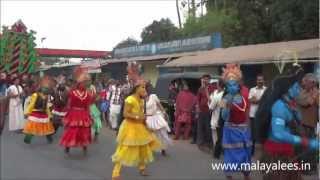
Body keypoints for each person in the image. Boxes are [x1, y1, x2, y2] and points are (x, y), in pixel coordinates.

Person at [256, 64, 319, 180]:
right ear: (288, 89)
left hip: (287, 151)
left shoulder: (290, 104)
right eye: (297, 86)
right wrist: (306, 142)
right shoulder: (279, 106)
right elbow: (278, 133)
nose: (299, 89)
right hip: (276, 153)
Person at [111, 62, 161, 180]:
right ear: (136, 88)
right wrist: (138, 117)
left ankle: (142, 168)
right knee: (124, 150)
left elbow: (142, 115)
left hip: (140, 128)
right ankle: (115, 173)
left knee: (143, 149)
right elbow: (125, 114)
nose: (144, 89)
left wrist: (147, 126)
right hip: (130, 128)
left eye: (145, 87)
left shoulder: (141, 101)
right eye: (142, 87)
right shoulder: (130, 99)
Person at [220, 64, 251, 180]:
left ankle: (246, 175)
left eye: (234, 84)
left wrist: (248, 126)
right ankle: (229, 176)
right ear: (226, 87)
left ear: (238, 85)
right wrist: (227, 107)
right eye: (229, 85)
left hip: (243, 129)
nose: (232, 86)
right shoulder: (224, 99)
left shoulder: (243, 97)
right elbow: (223, 117)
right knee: (230, 153)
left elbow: (246, 112)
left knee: (245, 153)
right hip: (230, 130)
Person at [60, 66, 92, 156]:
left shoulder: (87, 94)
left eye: (86, 83)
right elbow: (68, 104)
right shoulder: (72, 93)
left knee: (84, 131)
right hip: (73, 114)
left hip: (83, 114)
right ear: (79, 83)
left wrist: (89, 115)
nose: (85, 84)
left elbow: (87, 106)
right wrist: (67, 113)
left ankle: (84, 147)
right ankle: (67, 146)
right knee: (72, 131)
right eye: (84, 83)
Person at [296, 73, 319, 174]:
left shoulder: (317, 93)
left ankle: (312, 168)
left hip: (312, 125)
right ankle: (304, 169)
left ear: (312, 83)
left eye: (305, 82)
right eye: (303, 82)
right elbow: (305, 103)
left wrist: (315, 95)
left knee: (312, 148)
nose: (303, 84)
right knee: (303, 148)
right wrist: (314, 95)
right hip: (303, 125)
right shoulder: (301, 92)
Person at [23, 76, 55, 144]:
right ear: (41, 88)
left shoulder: (46, 97)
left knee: (47, 127)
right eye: (44, 88)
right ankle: (28, 138)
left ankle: (49, 138)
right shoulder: (35, 95)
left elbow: (46, 107)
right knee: (32, 126)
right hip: (35, 113)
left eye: (46, 89)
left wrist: (50, 115)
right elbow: (31, 105)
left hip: (43, 114)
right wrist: (27, 112)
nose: (46, 90)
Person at [145, 82, 172, 156]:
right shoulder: (141, 98)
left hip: (156, 117)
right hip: (147, 118)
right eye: (148, 88)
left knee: (162, 134)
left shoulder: (153, 96)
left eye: (150, 88)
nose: (149, 89)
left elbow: (160, 105)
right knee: (150, 135)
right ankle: (150, 149)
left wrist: (164, 113)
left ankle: (163, 149)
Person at [248, 75, 266, 155]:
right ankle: (252, 152)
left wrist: (256, 99)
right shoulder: (252, 89)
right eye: (258, 80)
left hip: (263, 115)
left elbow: (266, 101)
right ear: (256, 81)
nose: (260, 81)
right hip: (253, 115)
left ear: (263, 81)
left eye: (261, 80)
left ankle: (264, 152)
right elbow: (251, 100)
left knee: (263, 133)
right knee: (253, 134)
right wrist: (260, 100)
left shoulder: (267, 90)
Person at [196, 74, 214, 150]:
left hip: (209, 111)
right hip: (201, 111)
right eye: (204, 79)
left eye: (206, 79)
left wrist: (206, 89)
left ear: (209, 80)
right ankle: (200, 143)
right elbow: (198, 99)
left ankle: (209, 143)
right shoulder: (200, 89)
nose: (205, 80)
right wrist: (197, 108)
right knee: (200, 127)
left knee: (208, 127)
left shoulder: (212, 88)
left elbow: (212, 99)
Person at [208, 79, 225, 153]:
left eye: (216, 84)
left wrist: (209, 102)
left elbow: (211, 108)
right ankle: (221, 149)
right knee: (222, 135)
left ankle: (216, 150)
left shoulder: (217, 96)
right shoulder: (225, 94)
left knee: (216, 136)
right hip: (224, 119)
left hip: (216, 119)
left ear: (218, 85)